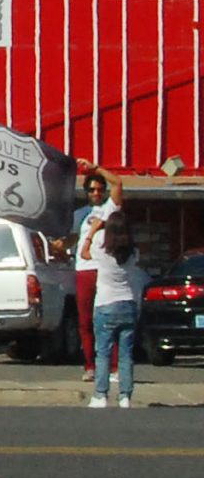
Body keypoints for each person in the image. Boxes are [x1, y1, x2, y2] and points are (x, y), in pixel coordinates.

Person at [90, 215, 149, 409]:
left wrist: (93, 230)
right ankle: (125, 396)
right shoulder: (133, 253)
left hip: (106, 303)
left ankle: (100, 395)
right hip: (128, 303)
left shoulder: (101, 245)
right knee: (125, 354)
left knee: (103, 353)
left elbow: (83, 253)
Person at [73, 170, 119, 382]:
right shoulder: (80, 214)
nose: (96, 193)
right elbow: (69, 240)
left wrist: (95, 167)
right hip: (84, 269)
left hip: (104, 269)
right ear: (86, 192)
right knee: (85, 321)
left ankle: (114, 366)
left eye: (100, 190)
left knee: (109, 318)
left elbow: (118, 183)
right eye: (92, 189)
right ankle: (90, 366)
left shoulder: (110, 210)